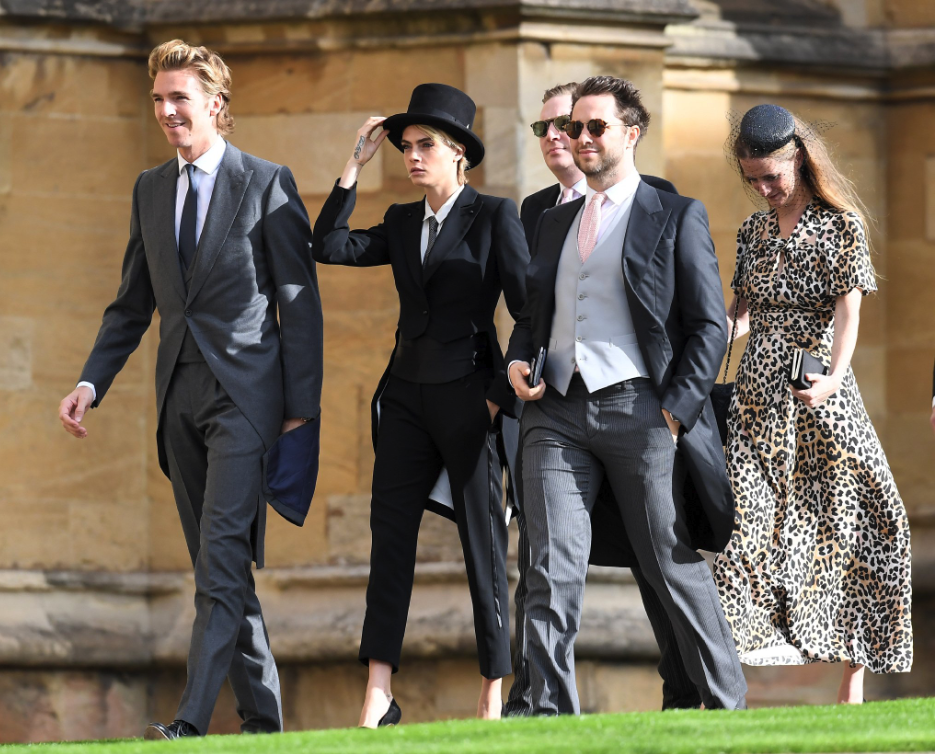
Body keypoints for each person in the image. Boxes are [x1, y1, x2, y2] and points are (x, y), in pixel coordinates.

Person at [57, 40, 323, 739]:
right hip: (178, 401)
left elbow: (299, 305)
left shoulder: (266, 182)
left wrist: (300, 413)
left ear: (215, 103)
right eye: (158, 99)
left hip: (247, 401)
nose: (167, 110)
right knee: (220, 565)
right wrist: (90, 382)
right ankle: (264, 724)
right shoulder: (149, 189)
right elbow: (130, 305)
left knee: (219, 561)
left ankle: (189, 725)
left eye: (180, 97)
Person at [506, 75, 747, 715]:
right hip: (555, 411)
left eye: (595, 127)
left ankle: (727, 707)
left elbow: (708, 326)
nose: (578, 138)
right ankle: (548, 719)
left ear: (631, 133)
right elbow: (532, 315)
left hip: (641, 410)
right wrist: (516, 360)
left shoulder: (675, 214)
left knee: (669, 561)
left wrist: (677, 411)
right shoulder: (553, 222)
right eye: (572, 127)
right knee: (549, 567)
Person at [310, 83, 529, 728]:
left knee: (483, 545)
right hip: (405, 398)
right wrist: (354, 165)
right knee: (389, 541)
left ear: (459, 152)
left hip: (470, 397)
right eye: (405, 146)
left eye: (425, 144)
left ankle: (492, 690)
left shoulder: (495, 216)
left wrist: (497, 399)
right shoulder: (403, 222)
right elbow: (328, 245)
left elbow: (530, 312)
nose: (411, 155)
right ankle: (378, 693)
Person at [713, 104, 912, 703]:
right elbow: (741, 316)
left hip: (820, 386)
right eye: (752, 179)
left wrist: (834, 378)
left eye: (770, 176)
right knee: (744, 523)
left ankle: (854, 677)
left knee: (867, 513)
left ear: (797, 158)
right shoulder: (753, 232)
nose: (763, 188)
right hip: (757, 397)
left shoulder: (840, 226)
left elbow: (850, 313)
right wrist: (704, 348)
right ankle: (730, 668)